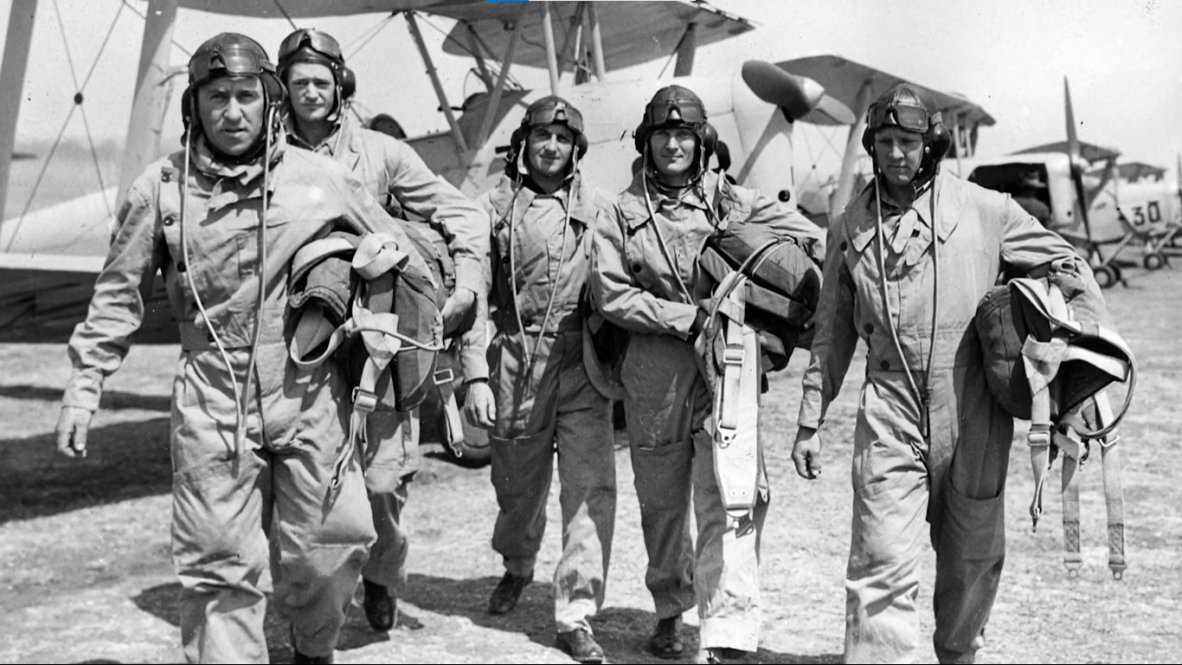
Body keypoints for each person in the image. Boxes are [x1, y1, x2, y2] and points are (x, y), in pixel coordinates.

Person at [54, 33, 436, 664]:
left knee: (332, 545)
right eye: (216, 98)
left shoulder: (323, 180)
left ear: (270, 103)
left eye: (244, 96)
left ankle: (314, 649)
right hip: (212, 391)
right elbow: (118, 292)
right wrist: (84, 384)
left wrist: (400, 337)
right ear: (193, 108)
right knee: (218, 563)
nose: (232, 112)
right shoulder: (162, 190)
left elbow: (404, 261)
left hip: (310, 388)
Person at [791, 83, 1103, 664]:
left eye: (907, 141)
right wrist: (811, 418)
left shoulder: (986, 209)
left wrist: (1079, 369)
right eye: (883, 141)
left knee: (971, 556)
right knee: (879, 557)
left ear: (929, 143)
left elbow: (1070, 265)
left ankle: (959, 654)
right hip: (889, 403)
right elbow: (831, 331)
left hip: (973, 404)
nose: (895, 154)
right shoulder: (851, 225)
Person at [591, 85, 824, 664]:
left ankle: (726, 630)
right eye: (663, 135)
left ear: (702, 142)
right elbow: (610, 293)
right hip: (655, 372)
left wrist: (793, 286)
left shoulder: (733, 201)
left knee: (734, 493)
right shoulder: (619, 211)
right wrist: (684, 316)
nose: (674, 144)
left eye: (685, 135)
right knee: (662, 500)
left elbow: (811, 235)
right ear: (647, 143)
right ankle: (670, 610)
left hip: (728, 368)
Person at [277, 27, 489, 632]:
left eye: (321, 81)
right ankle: (316, 610)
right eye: (298, 84)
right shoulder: (270, 155)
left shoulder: (382, 153)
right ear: (283, 91)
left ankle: (382, 574)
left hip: (378, 345)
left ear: (340, 83)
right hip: (306, 344)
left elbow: (464, 211)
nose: (311, 93)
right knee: (308, 484)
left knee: (382, 481)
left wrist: (468, 287)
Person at [463, 96, 617, 665]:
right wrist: (475, 371)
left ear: (576, 149)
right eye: (541, 136)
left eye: (562, 137)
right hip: (515, 357)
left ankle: (574, 612)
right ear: (523, 144)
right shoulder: (491, 208)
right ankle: (516, 564)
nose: (550, 147)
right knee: (518, 488)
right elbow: (473, 291)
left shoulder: (601, 210)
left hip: (582, 364)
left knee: (589, 489)